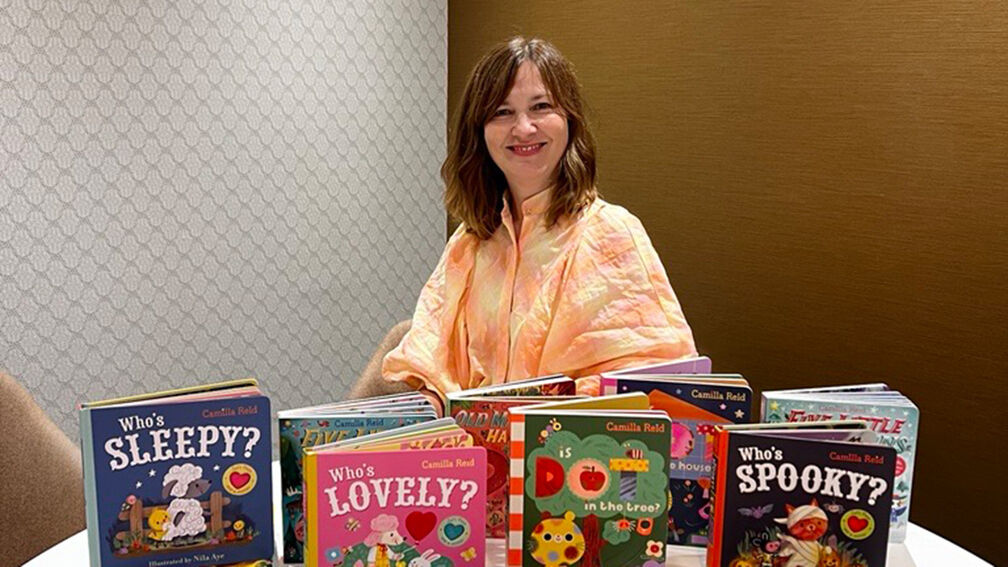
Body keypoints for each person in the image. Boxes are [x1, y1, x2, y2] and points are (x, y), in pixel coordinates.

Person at [382, 37, 696, 414]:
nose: (524, 128)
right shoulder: (469, 241)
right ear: (479, 130)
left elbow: (656, 380)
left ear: (569, 120)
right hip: (470, 461)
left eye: (541, 107)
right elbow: (427, 361)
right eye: (502, 112)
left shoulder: (612, 232)